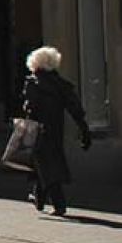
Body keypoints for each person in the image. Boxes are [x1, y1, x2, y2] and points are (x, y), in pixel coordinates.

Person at [22, 46, 92, 216]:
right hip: (56, 128)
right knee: (43, 162)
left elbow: (30, 107)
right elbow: (75, 107)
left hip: (37, 128)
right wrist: (84, 129)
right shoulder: (61, 84)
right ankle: (38, 196)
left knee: (46, 164)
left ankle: (58, 203)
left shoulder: (34, 83)